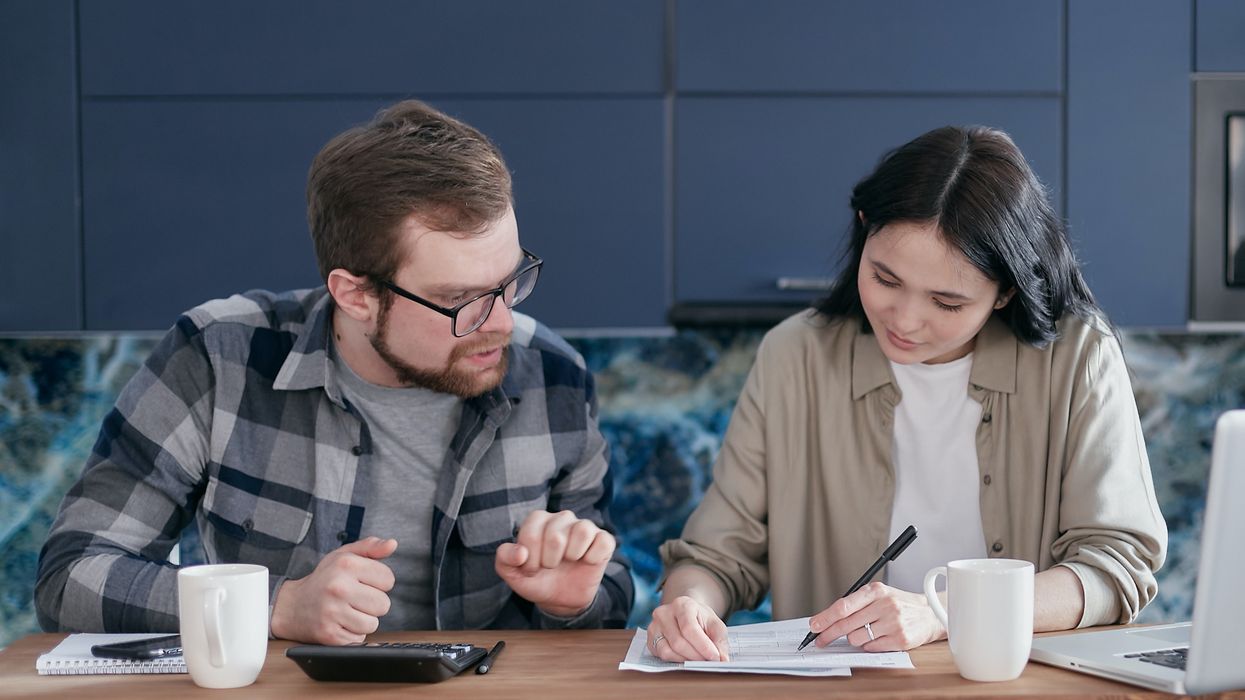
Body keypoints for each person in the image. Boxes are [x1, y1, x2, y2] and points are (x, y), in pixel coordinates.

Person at [35, 99, 633, 643]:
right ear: (356, 295)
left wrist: (575, 600)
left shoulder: (553, 377)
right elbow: (72, 577)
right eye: (461, 300)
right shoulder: (219, 358)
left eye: (510, 283)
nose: (502, 324)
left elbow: (609, 594)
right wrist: (277, 606)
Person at [649, 125, 1167, 661]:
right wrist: (688, 604)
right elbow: (715, 555)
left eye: (946, 303)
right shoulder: (794, 356)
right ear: (863, 228)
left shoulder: (1077, 356)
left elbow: (1115, 565)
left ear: (1005, 291)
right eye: (885, 279)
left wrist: (945, 614)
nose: (905, 321)